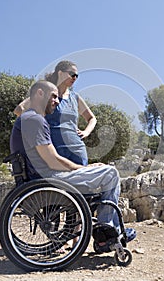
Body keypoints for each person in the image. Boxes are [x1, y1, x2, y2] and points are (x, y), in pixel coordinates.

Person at [10, 80, 122, 233]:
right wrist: (84, 168)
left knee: (103, 171)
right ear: (40, 93)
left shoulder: (30, 119)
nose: (57, 101)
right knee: (111, 174)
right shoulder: (35, 120)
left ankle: (107, 229)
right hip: (50, 178)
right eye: (54, 97)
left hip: (42, 177)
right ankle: (106, 230)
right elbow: (52, 160)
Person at [14, 60, 96, 166]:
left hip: (77, 149)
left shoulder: (75, 97)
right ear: (60, 73)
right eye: (72, 74)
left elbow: (92, 118)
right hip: (54, 150)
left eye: (77, 76)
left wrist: (86, 132)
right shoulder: (47, 93)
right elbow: (19, 109)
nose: (74, 78)